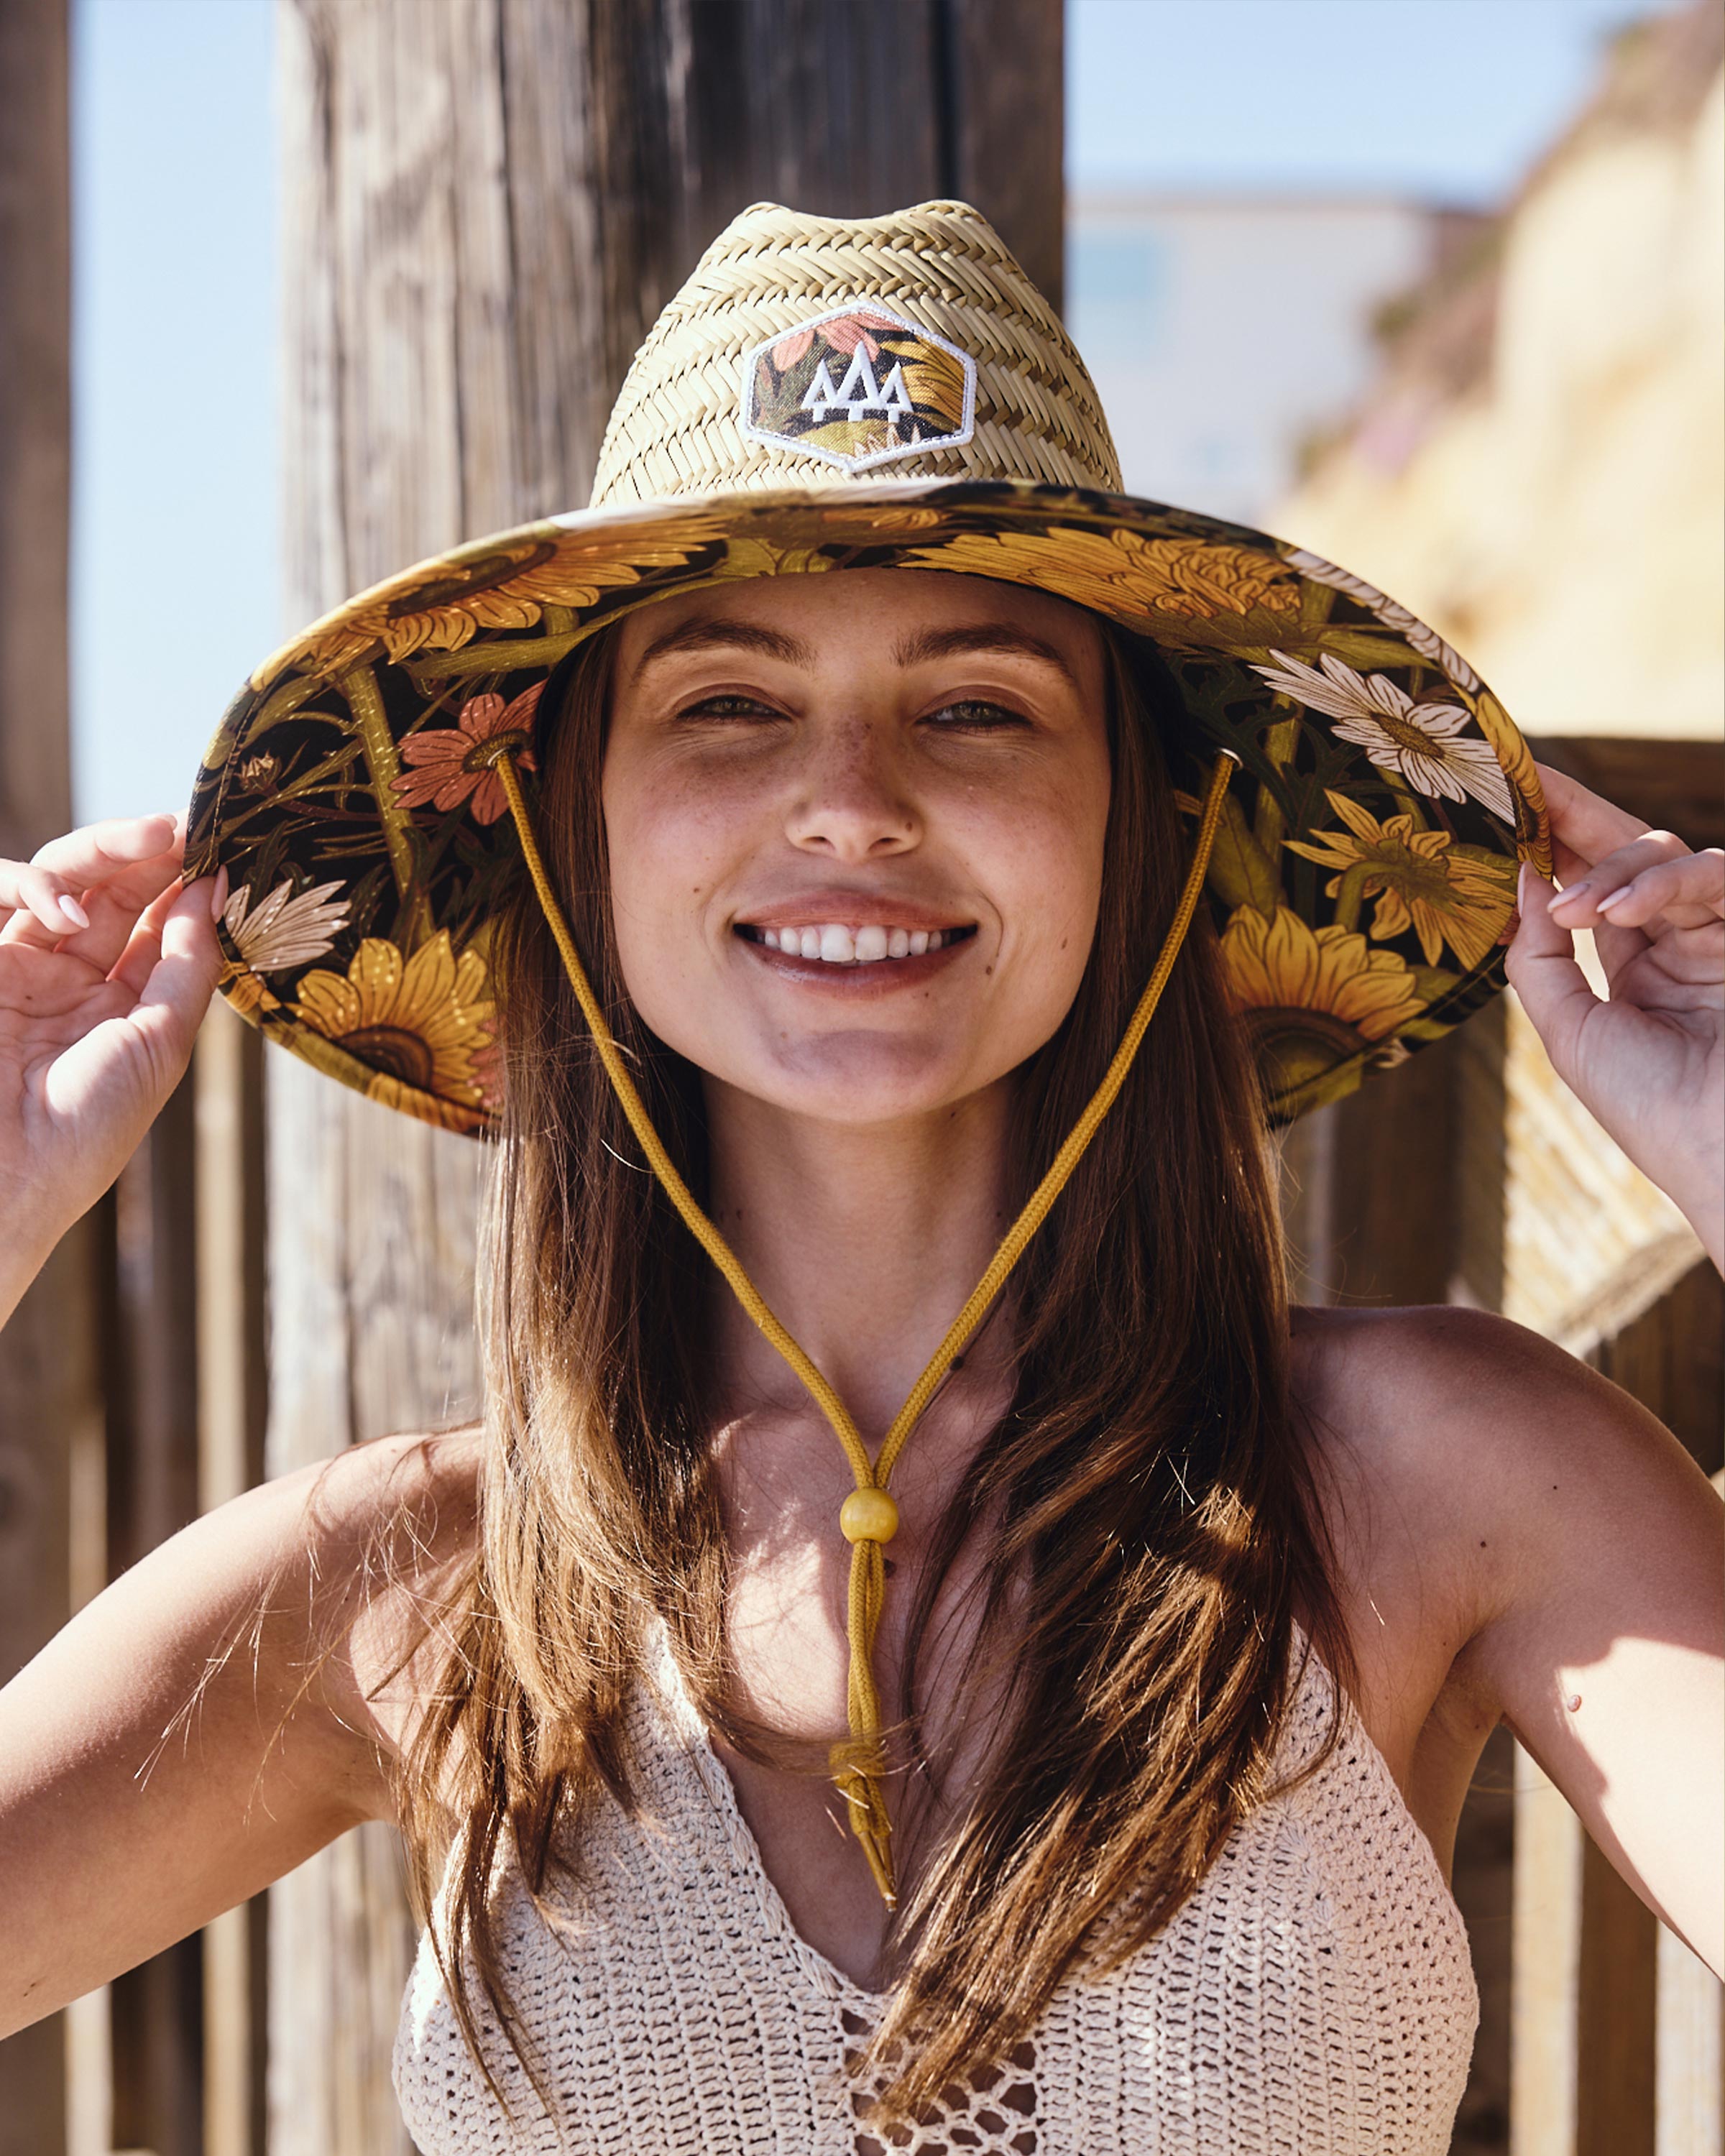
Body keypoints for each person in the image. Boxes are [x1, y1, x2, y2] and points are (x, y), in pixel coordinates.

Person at [1, 201, 1719, 2155]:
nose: (850, 800)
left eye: (976, 705)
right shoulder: (396, 1585)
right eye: (726, 704)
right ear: (573, 832)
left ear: (1138, 824)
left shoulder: (1440, 1471)